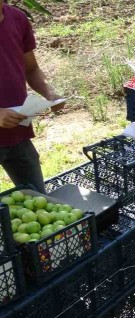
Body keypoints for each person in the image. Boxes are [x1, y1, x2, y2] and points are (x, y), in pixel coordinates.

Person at [0, 0, 64, 193]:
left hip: (17, 132)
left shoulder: (17, 18)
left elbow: (31, 68)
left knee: (38, 199)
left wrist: (49, 92)